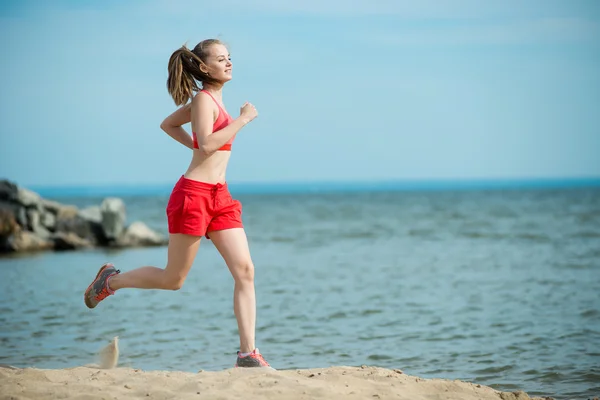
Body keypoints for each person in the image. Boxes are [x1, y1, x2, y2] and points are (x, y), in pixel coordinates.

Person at [83, 38, 271, 369]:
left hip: (221, 197)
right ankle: (110, 281)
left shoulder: (213, 101)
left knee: (245, 271)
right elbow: (209, 145)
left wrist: (198, 147)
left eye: (230, 58)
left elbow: (170, 126)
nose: (229, 63)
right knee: (174, 279)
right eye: (221, 59)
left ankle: (247, 354)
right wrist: (243, 120)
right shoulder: (201, 101)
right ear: (203, 67)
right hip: (194, 196)